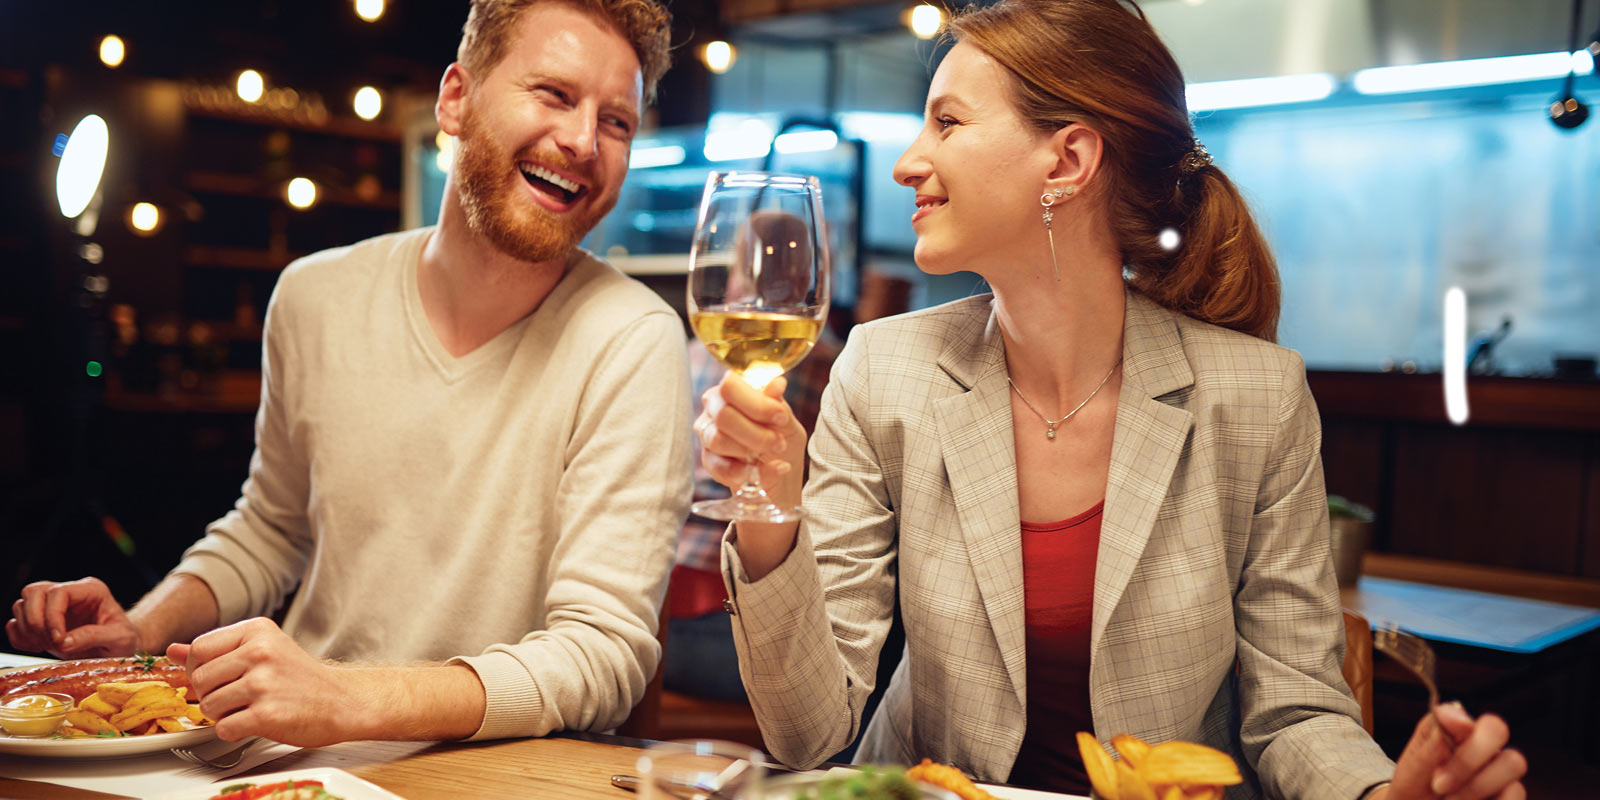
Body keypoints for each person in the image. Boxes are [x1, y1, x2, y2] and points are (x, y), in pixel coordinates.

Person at [693, 2, 1527, 799]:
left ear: (1068, 161)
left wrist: (1382, 792)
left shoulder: (1258, 398)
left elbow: (1296, 713)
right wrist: (771, 513)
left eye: (947, 123)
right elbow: (806, 733)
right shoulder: (886, 370)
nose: (910, 160)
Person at [7, 0, 691, 748]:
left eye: (618, 121)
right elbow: (272, 527)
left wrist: (346, 698)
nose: (583, 139)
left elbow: (604, 653)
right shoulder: (313, 295)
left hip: (490, 773)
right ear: (455, 99)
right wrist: (140, 631)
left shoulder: (634, 339)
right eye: (554, 94)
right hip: (285, 754)